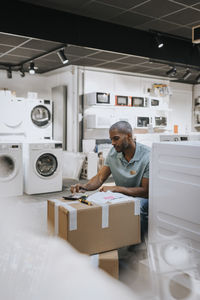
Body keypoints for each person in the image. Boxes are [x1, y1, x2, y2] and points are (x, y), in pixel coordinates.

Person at [71, 120, 150, 238]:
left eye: (116, 138)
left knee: (137, 207)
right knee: (97, 204)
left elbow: (145, 191)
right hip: (121, 196)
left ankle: (139, 244)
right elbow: (100, 177)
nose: (112, 143)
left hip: (142, 198)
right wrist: (85, 186)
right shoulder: (113, 153)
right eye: (111, 139)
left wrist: (117, 189)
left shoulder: (147, 156)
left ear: (129, 136)